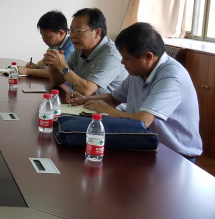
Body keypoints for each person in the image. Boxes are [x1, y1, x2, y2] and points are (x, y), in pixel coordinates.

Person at [69, 22, 202, 161]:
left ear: (147, 57)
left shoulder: (171, 77)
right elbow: (114, 98)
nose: (122, 62)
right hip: (143, 144)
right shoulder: (139, 71)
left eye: (126, 58)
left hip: (174, 156)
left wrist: (107, 109)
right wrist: (85, 99)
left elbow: (142, 121)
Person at [44, 8, 128, 96]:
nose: (72, 36)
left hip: (105, 105)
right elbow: (58, 81)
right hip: (84, 102)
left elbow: (86, 90)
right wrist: (52, 63)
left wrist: (62, 65)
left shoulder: (111, 55)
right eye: (71, 31)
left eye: (78, 31)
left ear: (97, 32)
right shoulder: (80, 50)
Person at [18, 10, 74, 78]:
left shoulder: (72, 46)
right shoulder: (55, 43)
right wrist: (36, 66)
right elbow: (45, 61)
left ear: (61, 33)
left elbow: (59, 73)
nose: (44, 39)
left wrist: (27, 71)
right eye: (42, 36)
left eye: (47, 36)